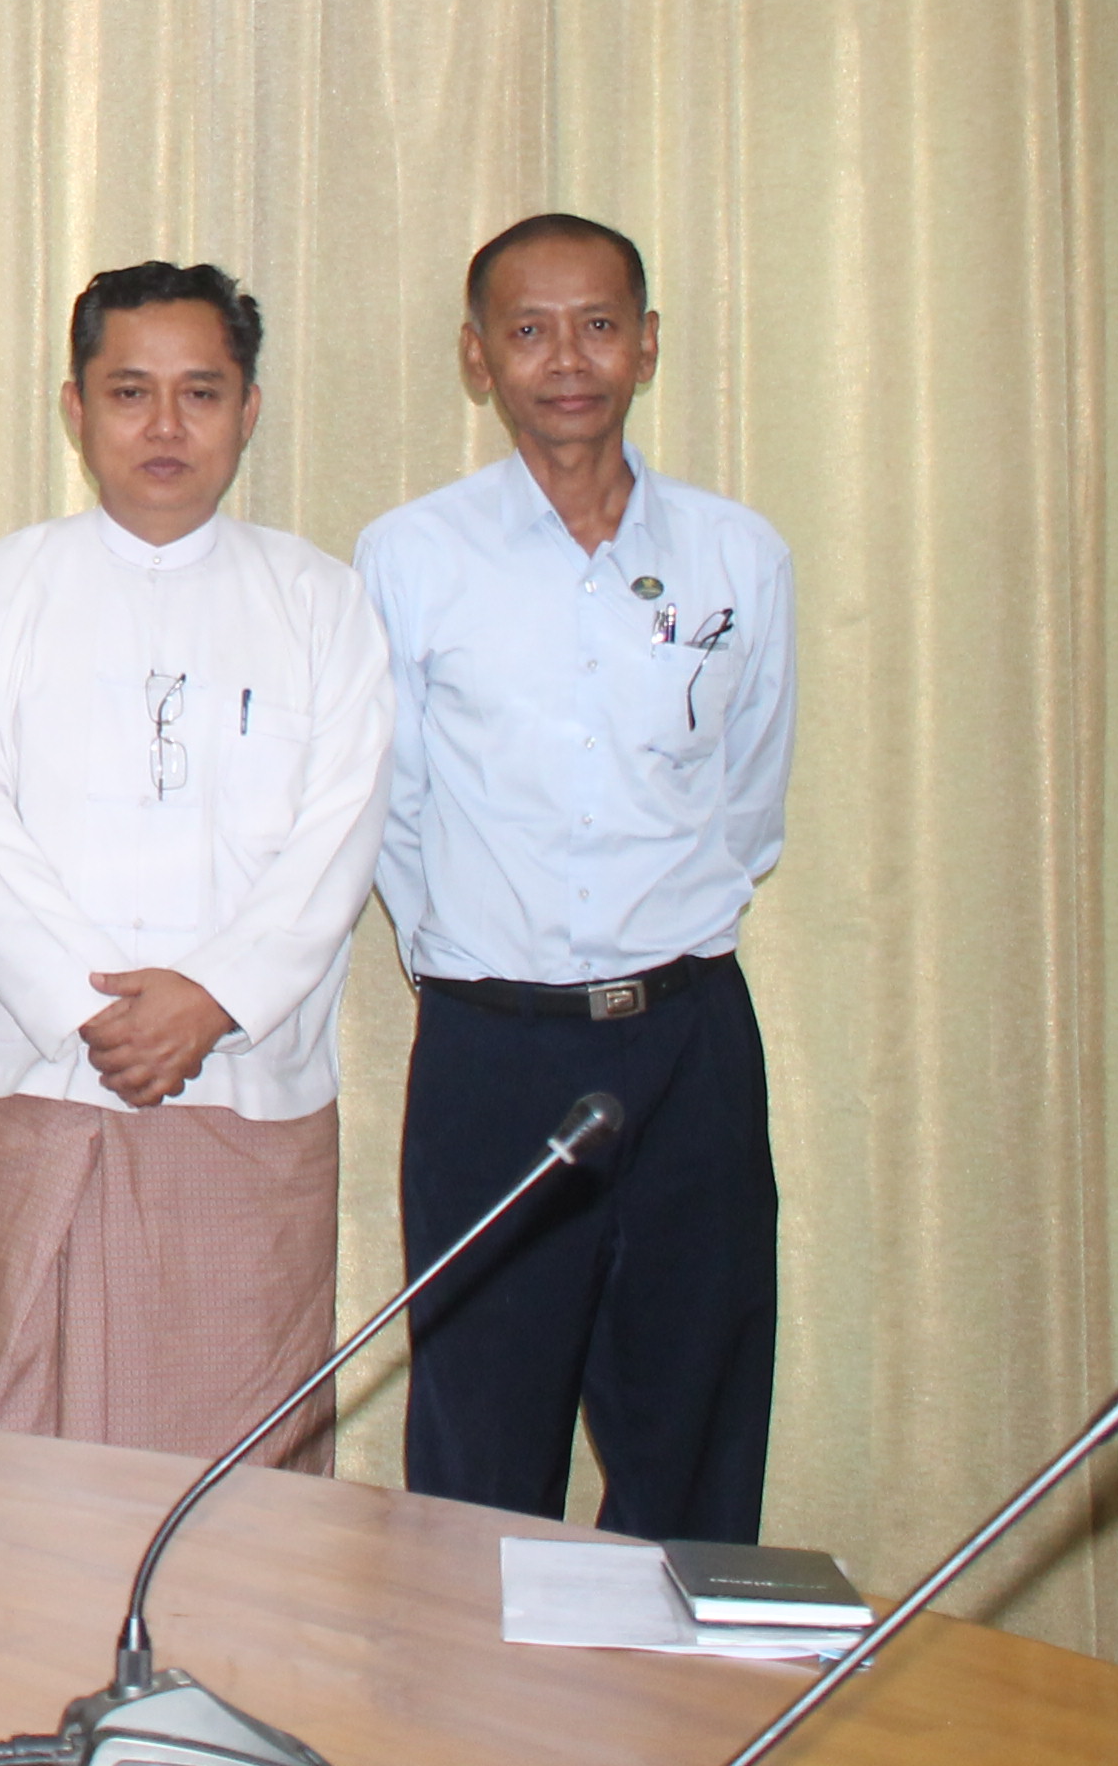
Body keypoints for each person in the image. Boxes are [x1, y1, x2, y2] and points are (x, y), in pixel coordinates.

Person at [0, 263, 393, 1469]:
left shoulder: (322, 601)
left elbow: (340, 831)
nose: (165, 426)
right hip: (40, 1076)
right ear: (75, 409)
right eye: (130, 392)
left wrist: (210, 998)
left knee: (238, 1475)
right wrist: (97, 1010)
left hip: (242, 1087)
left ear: (250, 409)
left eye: (200, 393)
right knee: (13, 1455)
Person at [360, 214, 794, 1538]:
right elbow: (394, 806)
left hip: (689, 1044)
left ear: (647, 346)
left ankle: (675, 1679)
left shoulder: (737, 554)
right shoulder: (412, 556)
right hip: (494, 1052)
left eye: (599, 326)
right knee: (482, 1442)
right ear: (478, 358)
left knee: (696, 1427)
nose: (568, 360)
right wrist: (483, 965)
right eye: (530, 330)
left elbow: (749, 797)